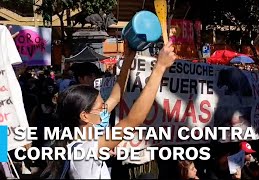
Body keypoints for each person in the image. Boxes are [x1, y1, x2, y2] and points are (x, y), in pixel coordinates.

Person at [41, 41, 176, 179]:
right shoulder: (84, 150)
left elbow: (115, 97)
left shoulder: (82, 137)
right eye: (100, 107)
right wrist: (160, 67)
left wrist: (128, 59)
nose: (105, 109)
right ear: (85, 116)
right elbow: (133, 121)